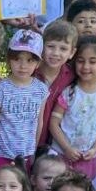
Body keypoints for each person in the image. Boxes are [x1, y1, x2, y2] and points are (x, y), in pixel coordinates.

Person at [0, 30, 49, 177]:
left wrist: (33, 152)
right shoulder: (0, 88)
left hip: (25, 156)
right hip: (0, 154)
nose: (23, 65)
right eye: (17, 59)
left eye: (30, 60)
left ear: (38, 63)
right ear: (9, 60)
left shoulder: (41, 89)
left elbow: (39, 123)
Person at [49, 37, 96, 179]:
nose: (86, 67)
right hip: (60, 156)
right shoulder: (69, 92)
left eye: (92, 61)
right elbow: (53, 123)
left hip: (87, 159)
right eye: (80, 61)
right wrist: (66, 148)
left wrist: (94, 149)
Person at [34, 20, 79, 149]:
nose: (55, 53)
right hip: (27, 138)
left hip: (56, 144)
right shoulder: (30, 72)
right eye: (51, 46)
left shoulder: (72, 77)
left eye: (63, 48)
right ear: (42, 47)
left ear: (72, 53)